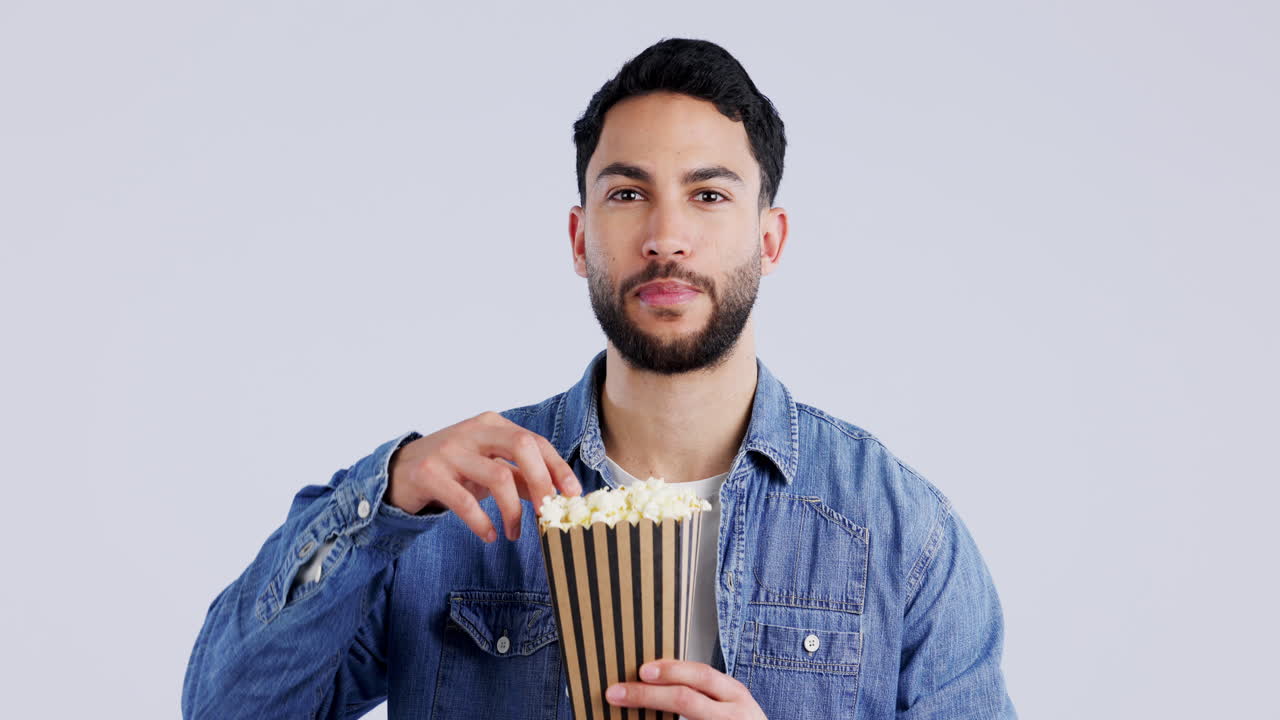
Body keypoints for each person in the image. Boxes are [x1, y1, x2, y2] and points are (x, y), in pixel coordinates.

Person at [182, 37, 1017, 720]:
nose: (665, 236)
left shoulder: (902, 533)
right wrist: (386, 495)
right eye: (628, 194)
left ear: (771, 238)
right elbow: (226, 711)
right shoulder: (451, 508)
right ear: (580, 238)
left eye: (709, 196)